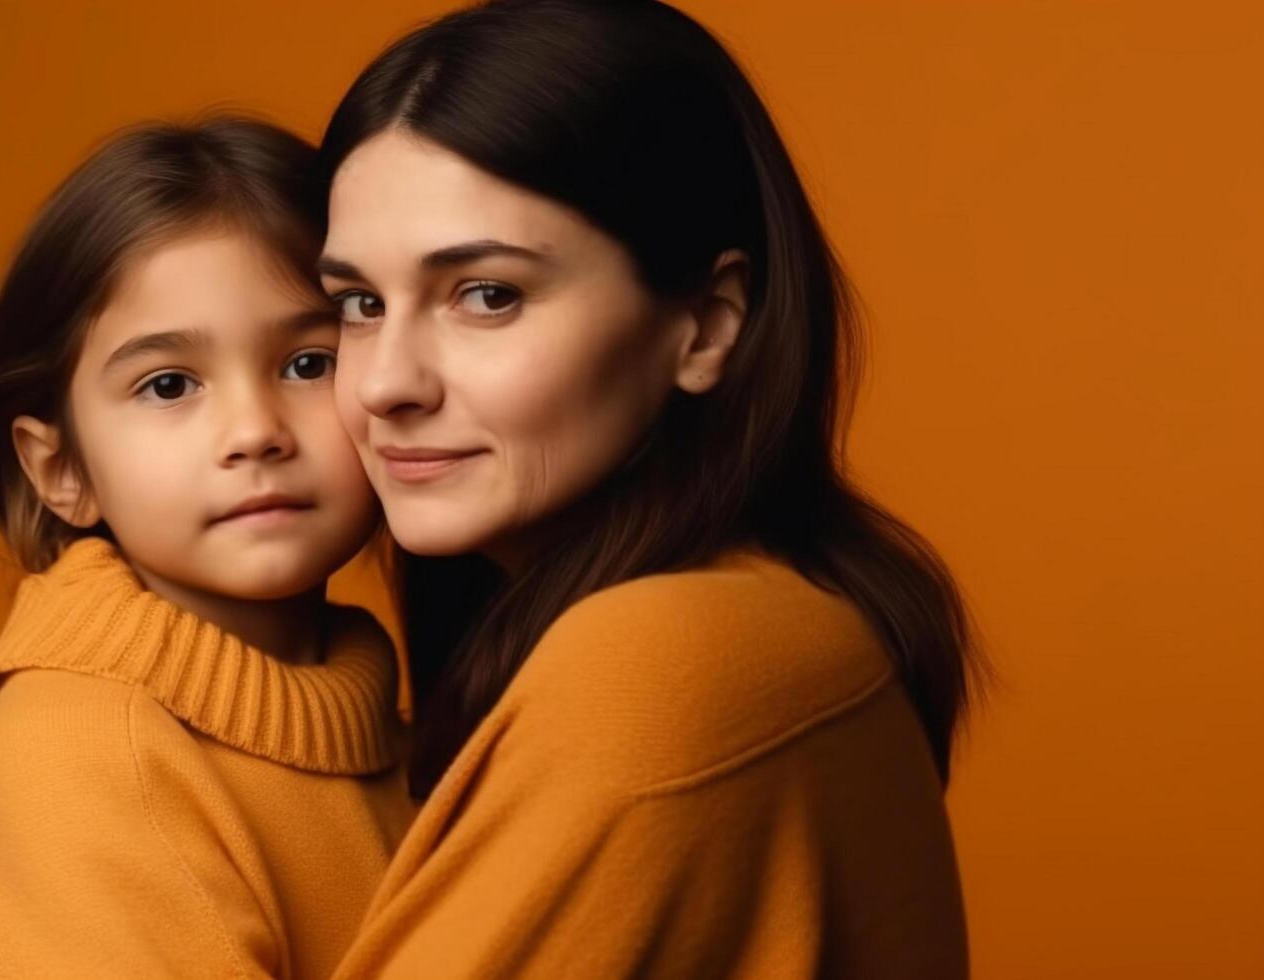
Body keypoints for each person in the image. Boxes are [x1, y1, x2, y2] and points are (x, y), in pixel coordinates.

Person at [310, 0, 980, 975]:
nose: (382, 384)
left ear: (704, 327)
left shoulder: (658, 666)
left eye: (485, 294)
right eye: (358, 304)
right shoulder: (780, 619)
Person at [0, 117, 414, 979]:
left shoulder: (405, 729)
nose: (254, 432)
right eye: (168, 385)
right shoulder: (83, 749)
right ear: (61, 469)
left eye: (306, 363)